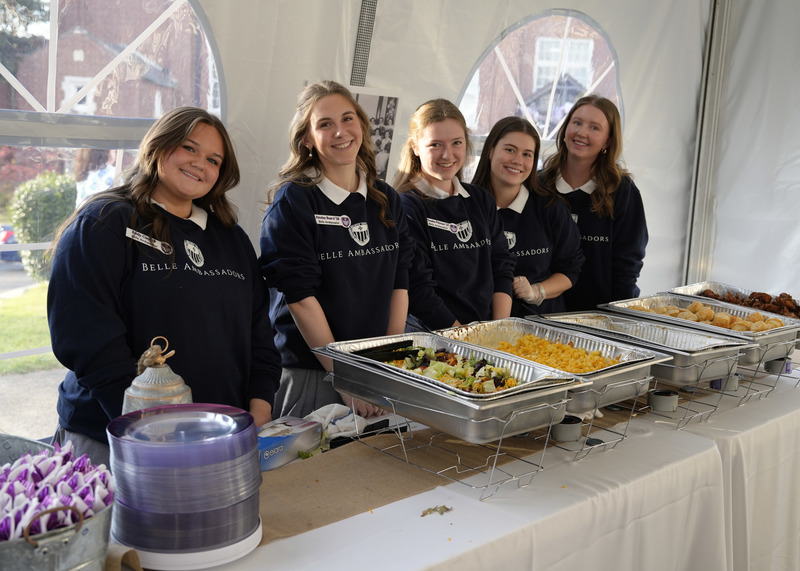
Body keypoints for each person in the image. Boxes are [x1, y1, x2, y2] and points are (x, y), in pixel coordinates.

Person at [48, 106, 281, 465]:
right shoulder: (106, 223)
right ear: (159, 147)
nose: (200, 163)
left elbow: (258, 336)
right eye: (189, 148)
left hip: (216, 443)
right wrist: (148, 434)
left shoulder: (230, 239)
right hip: (115, 441)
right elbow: (87, 340)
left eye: (214, 159)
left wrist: (258, 411)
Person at [260, 80, 413, 419]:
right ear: (306, 139)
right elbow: (300, 299)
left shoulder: (386, 199)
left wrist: (387, 361)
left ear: (361, 124)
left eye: (347, 119)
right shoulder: (294, 202)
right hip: (314, 371)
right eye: (324, 124)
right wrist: (344, 378)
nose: (340, 131)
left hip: (372, 367)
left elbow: (400, 283)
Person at [393, 99, 515, 330]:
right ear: (415, 147)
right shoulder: (406, 205)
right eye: (435, 145)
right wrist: (465, 338)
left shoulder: (480, 199)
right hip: (434, 338)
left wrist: (499, 328)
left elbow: (502, 265)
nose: (447, 155)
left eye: (456, 143)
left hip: (484, 335)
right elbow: (419, 289)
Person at [538, 95, 648, 311]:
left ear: (608, 140)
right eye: (577, 123)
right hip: (542, 314)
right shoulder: (539, 185)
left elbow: (628, 265)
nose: (582, 133)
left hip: (599, 316)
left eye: (594, 128)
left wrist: (618, 318)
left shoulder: (623, 191)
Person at [471, 116, 584, 316]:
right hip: (477, 324)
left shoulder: (551, 208)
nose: (517, 160)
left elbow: (571, 270)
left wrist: (537, 291)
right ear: (490, 150)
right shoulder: (466, 206)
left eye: (527, 154)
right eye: (509, 150)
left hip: (541, 327)